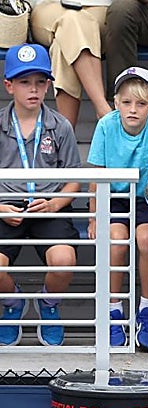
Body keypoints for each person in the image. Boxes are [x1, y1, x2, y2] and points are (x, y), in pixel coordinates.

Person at [87, 66, 148, 349]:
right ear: (116, 102)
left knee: (146, 240)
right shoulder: (106, 125)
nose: (133, 109)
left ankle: (147, 308)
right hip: (114, 196)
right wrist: (94, 216)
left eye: (141, 104)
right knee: (116, 241)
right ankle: (113, 311)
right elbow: (97, 175)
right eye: (127, 102)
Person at [0, 44, 81, 349]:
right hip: (6, 205)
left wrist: (56, 203)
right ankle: (13, 302)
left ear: (49, 84)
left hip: (49, 204)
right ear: (9, 86)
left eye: (39, 82)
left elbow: (75, 178)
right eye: (24, 82)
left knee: (63, 260)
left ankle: (48, 304)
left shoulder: (59, 126)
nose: (33, 89)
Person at [30, 0, 112, 126]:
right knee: (71, 20)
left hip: (99, 8)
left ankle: (66, 139)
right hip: (49, 8)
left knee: (61, 45)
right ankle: (103, 108)